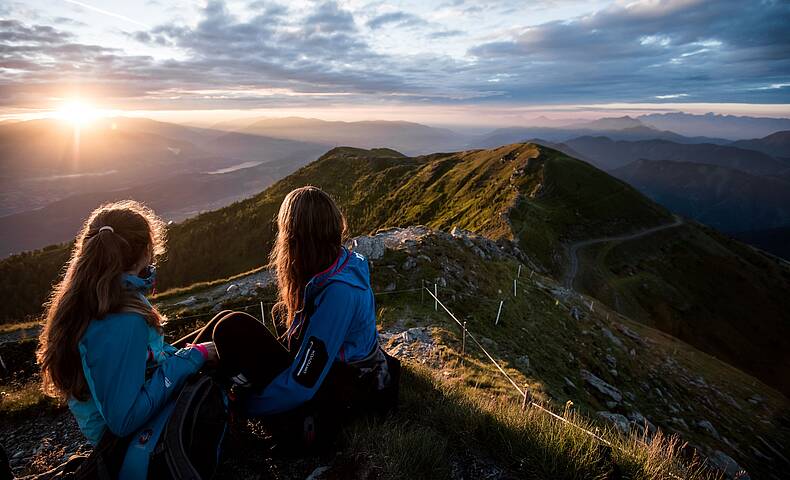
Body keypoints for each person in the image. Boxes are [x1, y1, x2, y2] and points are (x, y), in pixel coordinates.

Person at [202, 186, 399, 446]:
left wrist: (241, 408)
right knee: (237, 318)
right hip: (329, 377)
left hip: (336, 395)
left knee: (232, 328)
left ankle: (185, 389)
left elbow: (303, 382)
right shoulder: (336, 263)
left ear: (297, 238)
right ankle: (168, 363)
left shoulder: (339, 293)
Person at [36, 200, 218, 479]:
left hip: (125, 432)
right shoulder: (120, 319)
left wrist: (186, 356)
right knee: (231, 329)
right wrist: (193, 357)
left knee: (222, 324)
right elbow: (124, 420)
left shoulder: (94, 299)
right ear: (144, 251)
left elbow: (145, 361)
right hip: (133, 443)